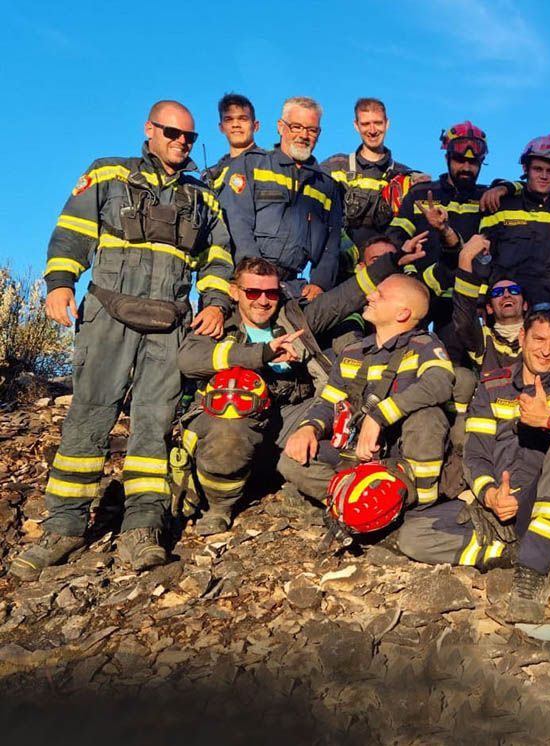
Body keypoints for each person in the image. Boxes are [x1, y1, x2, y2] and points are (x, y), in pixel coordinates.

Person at [11, 100, 233, 579]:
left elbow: (219, 258)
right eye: (171, 132)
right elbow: (70, 231)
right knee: (89, 416)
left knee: (154, 424)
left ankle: (143, 528)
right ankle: (64, 528)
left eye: (189, 137)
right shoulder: (108, 172)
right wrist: (60, 283)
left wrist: (215, 303)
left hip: (169, 324)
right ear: (149, 129)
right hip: (108, 313)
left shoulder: (204, 198)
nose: (181, 142)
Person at [395, 309, 550, 623]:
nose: (546, 349)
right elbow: (476, 456)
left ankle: (534, 570)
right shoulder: (492, 386)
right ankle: (506, 554)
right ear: (522, 338)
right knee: (412, 535)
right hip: (502, 508)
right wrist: (490, 494)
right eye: (538, 338)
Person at [175, 253, 409, 534]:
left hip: (287, 422)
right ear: (235, 292)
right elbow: (189, 360)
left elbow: (343, 299)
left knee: (344, 409)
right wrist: (262, 354)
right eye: (253, 292)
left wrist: (392, 258)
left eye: (271, 293)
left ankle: (362, 500)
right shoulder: (218, 323)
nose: (263, 301)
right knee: (234, 394)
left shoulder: (294, 317)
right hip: (232, 426)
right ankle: (219, 507)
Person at [279, 274, 455, 511]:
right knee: (290, 459)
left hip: (399, 452)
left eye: (380, 295)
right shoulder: (352, 352)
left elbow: (439, 384)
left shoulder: (425, 346)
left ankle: (416, 506)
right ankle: (357, 505)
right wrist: (309, 428)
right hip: (356, 451)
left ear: (402, 313)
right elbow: (329, 403)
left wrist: (379, 416)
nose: (370, 296)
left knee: (428, 417)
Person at [385, 121, 491, 361]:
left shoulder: (487, 199)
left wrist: (503, 188)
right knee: (403, 358)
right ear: (447, 158)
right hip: (420, 293)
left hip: (462, 300)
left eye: (473, 162)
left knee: (454, 365)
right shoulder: (422, 194)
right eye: (459, 160)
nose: (466, 167)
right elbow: (395, 239)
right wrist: (409, 273)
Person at [219, 96, 343, 301]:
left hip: (294, 288)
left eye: (312, 130)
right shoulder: (252, 165)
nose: (304, 135)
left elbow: (332, 241)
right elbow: (237, 222)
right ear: (280, 127)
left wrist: (320, 283)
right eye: (296, 127)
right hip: (247, 282)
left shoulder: (327, 185)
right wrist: (255, 273)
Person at [476, 135, 550, 308]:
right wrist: (482, 301)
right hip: (508, 309)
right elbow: (483, 260)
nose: (544, 176)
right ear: (525, 168)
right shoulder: (501, 206)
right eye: (538, 169)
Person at [451, 233, 550, 372]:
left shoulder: (545, 336)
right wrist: (465, 258)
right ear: (489, 308)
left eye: (513, 290)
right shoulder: (482, 341)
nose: (506, 295)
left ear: (525, 305)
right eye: (497, 293)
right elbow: (463, 321)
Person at [321, 97, 424, 248]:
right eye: (365, 124)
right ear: (356, 126)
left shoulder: (405, 176)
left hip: (387, 262)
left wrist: (423, 187)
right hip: (342, 262)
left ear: (387, 123)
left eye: (377, 123)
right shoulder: (335, 167)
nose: (372, 130)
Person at [203, 92, 263, 191]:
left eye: (243, 119)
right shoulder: (211, 175)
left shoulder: (269, 164)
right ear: (221, 127)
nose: (235, 124)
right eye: (228, 120)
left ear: (256, 126)